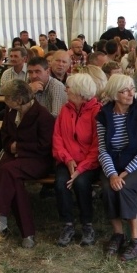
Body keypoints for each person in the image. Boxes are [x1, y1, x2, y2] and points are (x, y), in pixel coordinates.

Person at [96, 74, 137, 261]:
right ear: (115, 94)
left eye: (132, 89)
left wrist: (125, 172)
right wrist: (112, 174)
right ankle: (118, 234)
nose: (131, 94)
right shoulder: (103, 115)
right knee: (108, 186)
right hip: (114, 163)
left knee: (126, 186)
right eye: (125, 91)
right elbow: (102, 149)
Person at [0, 80, 55, 248]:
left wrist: (19, 148)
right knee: (12, 177)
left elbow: (45, 146)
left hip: (37, 161)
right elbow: (4, 135)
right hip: (14, 159)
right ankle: (27, 234)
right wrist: (10, 147)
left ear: (19, 99)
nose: (5, 100)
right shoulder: (10, 112)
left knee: (6, 170)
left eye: (7, 97)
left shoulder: (43, 116)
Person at [53, 74, 102, 247]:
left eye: (68, 87)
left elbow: (97, 146)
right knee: (61, 183)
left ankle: (87, 224)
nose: (65, 90)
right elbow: (57, 138)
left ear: (80, 92)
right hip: (67, 160)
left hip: (89, 163)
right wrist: (67, 160)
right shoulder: (65, 110)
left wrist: (81, 168)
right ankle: (67, 224)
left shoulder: (97, 112)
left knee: (81, 183)